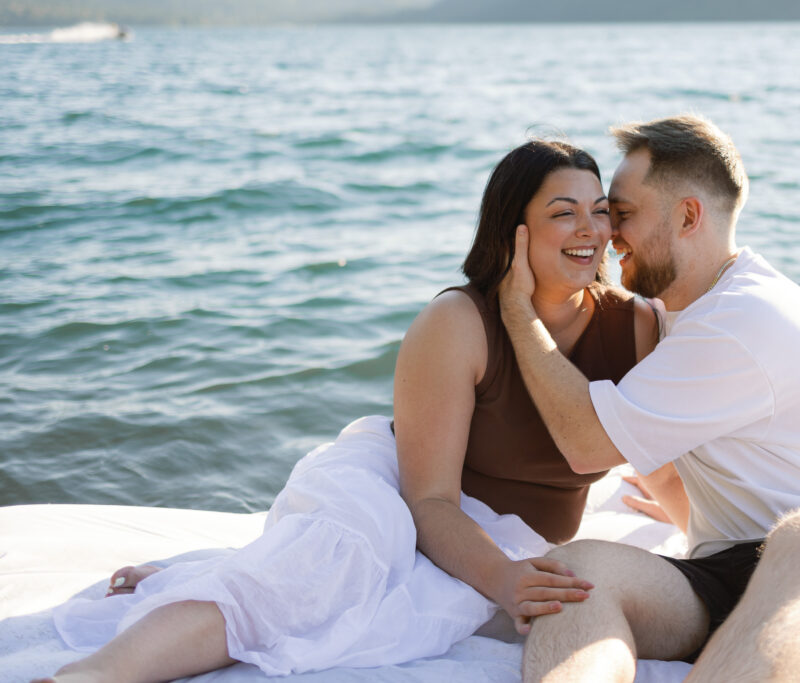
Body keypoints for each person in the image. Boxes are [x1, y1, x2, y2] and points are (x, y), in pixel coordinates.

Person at [34, 139, 660, 683]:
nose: (591, 230)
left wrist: (679, 499)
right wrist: (501, 578)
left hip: (499, 533)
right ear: (512, 231)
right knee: (307, 585)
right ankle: (97, 672)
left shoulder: (631, 327)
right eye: (563, 213)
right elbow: (430, 501)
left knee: (384, 605)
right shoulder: (459, 322)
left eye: (600, 212)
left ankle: (210, 570)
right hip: (398, 488)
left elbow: (668, 431)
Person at [497, 115, 800, 683]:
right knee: (575, 572)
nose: (609, 234)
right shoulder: (673, 313)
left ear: (688, 215)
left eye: (624, 213)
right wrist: (688, 508)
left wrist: (516, 310)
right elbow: (680, 447)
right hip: (732, 571)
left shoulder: (744, 315)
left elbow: (588, 444)